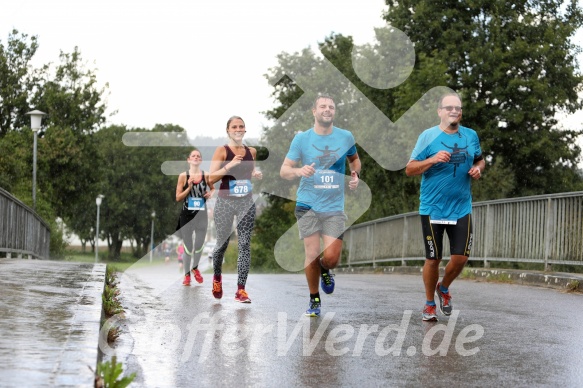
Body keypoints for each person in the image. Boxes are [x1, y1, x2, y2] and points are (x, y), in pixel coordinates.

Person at [405, 92, 485, 322]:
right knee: (433, 258)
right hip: (433, 208)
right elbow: (410, 169)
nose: (454, 111)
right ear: (439, 111)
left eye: (457, 108)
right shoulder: (428, 137)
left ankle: (444, 287)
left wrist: (479, 168)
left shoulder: (470, 135)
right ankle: (430, 304)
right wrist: (431, 160)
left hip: (461, 206)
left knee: (461, 257)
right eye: (449, 107)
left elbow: (480, 159)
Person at [280, 94, 361, 317]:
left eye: (331, 107)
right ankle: (314, 298)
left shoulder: (345, 137)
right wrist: (299, 171)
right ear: (314, 112)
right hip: (308, 203)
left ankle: (325, 269)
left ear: (334, 112)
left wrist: (355, 175)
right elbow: (284, 170)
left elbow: (354, 160)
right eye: (323, 106)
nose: (327, 109)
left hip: (334, 206)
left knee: (332, 258)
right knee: (312, 252)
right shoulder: (302, 139)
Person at [208, 116, 262, 303]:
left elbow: (249, 170)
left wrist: (255, 173)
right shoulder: (222, 151)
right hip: (225, 202)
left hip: (246, 201)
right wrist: (229, 166)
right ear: (228, 130)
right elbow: (211, 179)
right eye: (234, 127)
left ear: (245, 130)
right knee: (222, 244)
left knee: (245, 243)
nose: (238, 129)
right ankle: (217, 278)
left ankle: (241, 290)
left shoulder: (251, 151)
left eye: (241, 126)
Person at [175, 149, 214, 286]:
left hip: (201, 214)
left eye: (198, 156)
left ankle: (195, 268)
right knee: (188, 246)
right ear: (189, 159)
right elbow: (178, 197)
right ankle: (186, 276)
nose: (196, 157)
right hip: (186, 215)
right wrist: (189, 187)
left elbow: (213, 188)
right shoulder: (183, 176)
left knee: (198, 245)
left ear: (201, 160)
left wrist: (211, 193)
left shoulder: (206, 175)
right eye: (193, 156)